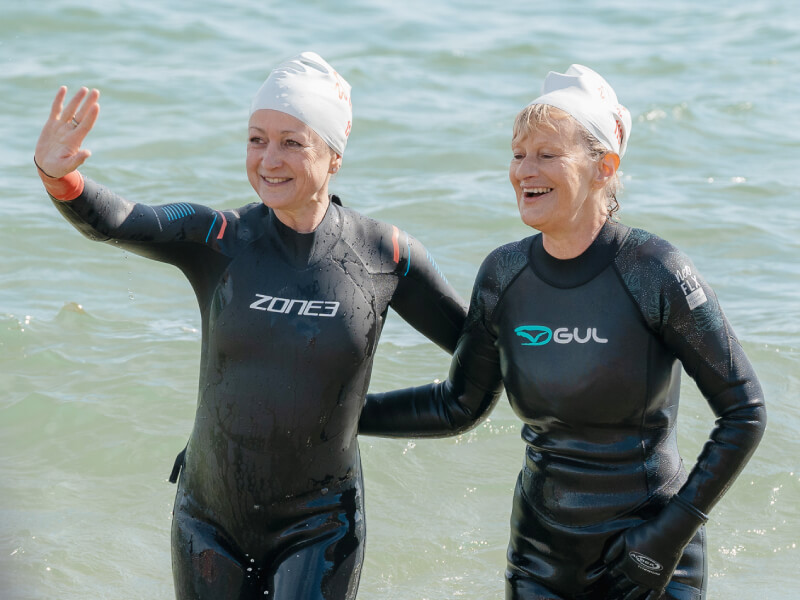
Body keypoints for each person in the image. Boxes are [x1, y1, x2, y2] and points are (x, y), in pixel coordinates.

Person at [34, 52, 468, 600]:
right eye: (256, 139)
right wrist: (59, 174)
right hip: (208, 519)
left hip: (320, 525)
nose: (269, 159)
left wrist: (366, 415)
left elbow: (485, 355)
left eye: (292, 141)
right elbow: (121, 220)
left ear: (334, 154)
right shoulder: (218, 236)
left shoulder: (385, 255)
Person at [359, 64, 766, 599]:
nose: (525, 170)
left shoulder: (655, 271)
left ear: (604, 167)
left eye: (548, 155)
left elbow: (744, 411)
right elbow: (457, 404)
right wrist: (340, 414)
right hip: (539, 565)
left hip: (647, 560)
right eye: (518, 153)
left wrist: (669, 535)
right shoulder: (504, 275)